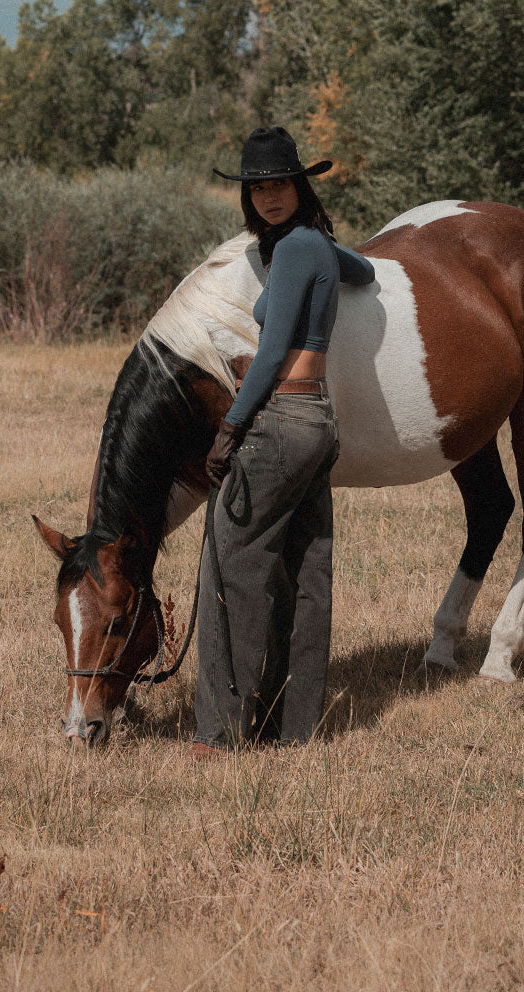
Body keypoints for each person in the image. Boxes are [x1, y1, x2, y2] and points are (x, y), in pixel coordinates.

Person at [192, 126, 375, 753]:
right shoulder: (314, 246)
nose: (268, 197)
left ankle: (218, 733)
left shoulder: (295, 250)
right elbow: (364, 267)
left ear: (301, 185)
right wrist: (323, 245)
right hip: (319, 423)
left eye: (279, 184)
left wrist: (231, 427)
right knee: (305, 571)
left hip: (280, 417)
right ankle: (296, 730)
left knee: (228, 565)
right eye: (258, 188)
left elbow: (270, 355)